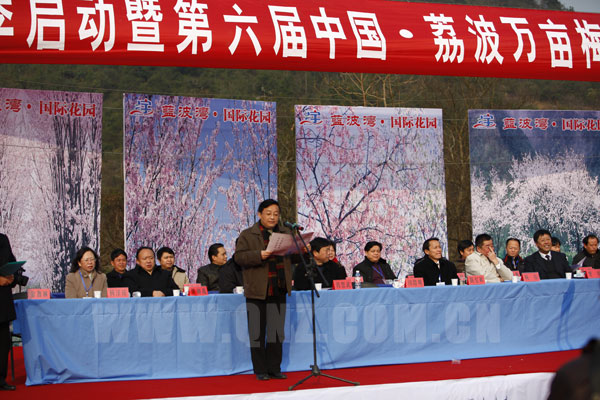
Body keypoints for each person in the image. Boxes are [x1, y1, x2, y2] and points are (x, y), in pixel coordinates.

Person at [234, 199, 298, 381]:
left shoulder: (285, 233)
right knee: (257, 333)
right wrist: (258, 255)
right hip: (257, 290)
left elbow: (293, 259)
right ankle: (260, 369)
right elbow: (239, 258)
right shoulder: (248, 234)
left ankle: (274, 368)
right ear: (259, 214)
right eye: (268, 213)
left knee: (276, 333)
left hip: (278, 288)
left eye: (276, 214)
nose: (272, 217)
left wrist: (302, 250)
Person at [0, 234, 16, 391]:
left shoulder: (3, 239)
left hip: (3, 300)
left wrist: (12, 276)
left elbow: (11, 260)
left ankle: (1, 379)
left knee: (3, 343)